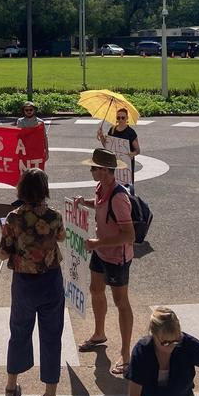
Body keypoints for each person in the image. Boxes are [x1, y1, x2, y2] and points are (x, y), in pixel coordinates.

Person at [0, 168, 66, 396]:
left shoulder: (13, 218)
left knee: (18, 331)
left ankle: (11, 386)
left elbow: (3, 253)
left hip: (24, 282)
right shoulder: (54, 216)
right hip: (50, 281)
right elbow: (61, 238)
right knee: (51, 336)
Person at [74, 148, 135, 376]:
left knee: (121, 301)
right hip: (100, 252)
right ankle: (99, 334)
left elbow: (129, 235)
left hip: (116, 256)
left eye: (94, 168)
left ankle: (126, 353)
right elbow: (101, 206)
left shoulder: (119, 197)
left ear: (105, 170)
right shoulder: (101, 188)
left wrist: (98, 243)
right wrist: (85, 203)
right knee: (95, 289)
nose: (91, 171)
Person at [97, 109, 140, 190]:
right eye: (118, 117)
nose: (120, 120)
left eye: (123, 118)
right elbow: (107, 147)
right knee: (113, 187)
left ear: (127, 118)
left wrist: (132, 154)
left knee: (126, 188)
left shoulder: (131, 132)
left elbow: (138, 150)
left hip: (126, 165)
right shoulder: (112, 129)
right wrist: (101, 136)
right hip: (114, 163)